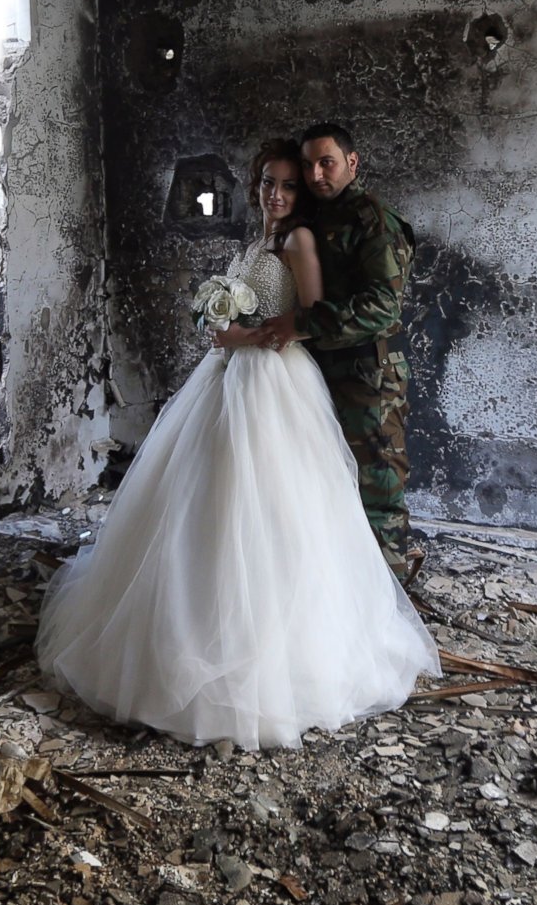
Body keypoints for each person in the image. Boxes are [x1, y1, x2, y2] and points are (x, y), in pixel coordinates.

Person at [36, 139, 436, 749]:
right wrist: (218, 324)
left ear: (306, 191)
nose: (275, 194)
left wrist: (243, 336)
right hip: (228, 379)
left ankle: (273, 654)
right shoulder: (257, 244)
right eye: (267, 183)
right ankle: (183, 623)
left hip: (274, 381)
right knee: (202, 496)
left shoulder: (300, 243)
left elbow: (308, 318)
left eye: (287, 185)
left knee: (270, 504)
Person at [256, 123, 421, 580]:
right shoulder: (316, 216)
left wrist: (301, 323)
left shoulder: (373, 221)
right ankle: (347, 590)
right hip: (320, 371)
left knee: (377, 489)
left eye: (326, 162)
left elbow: (383, 309)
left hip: (369, 376)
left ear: (352, 162)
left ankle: (390, 599)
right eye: (308, 165)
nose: (315, 173)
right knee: (330, 485)